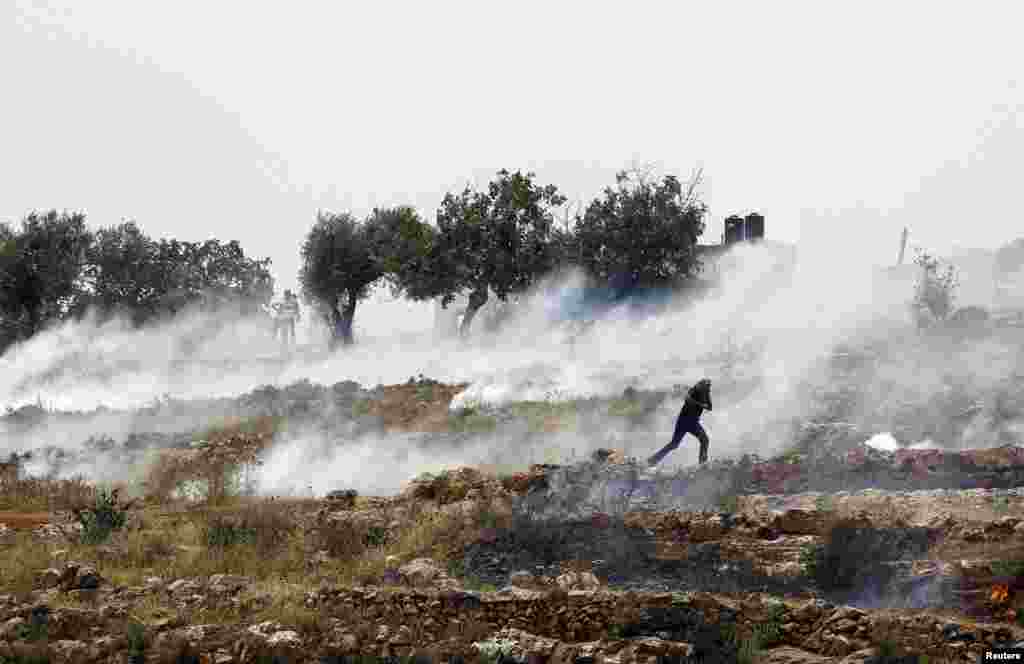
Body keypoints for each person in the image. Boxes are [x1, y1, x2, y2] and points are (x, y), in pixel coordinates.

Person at [647, 378, 712, 467]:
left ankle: (702, 463)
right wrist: (701, 404)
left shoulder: (706, 393)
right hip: (684, 421)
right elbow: (688, 400)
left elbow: (709, 407)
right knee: (674, 444)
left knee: (704, 440)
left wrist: (703, 403)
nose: (708, 388)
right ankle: (652, 460)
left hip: (693, 422)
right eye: (706, 386)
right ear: (701, 385)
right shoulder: (694, 390)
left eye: (708, 387)